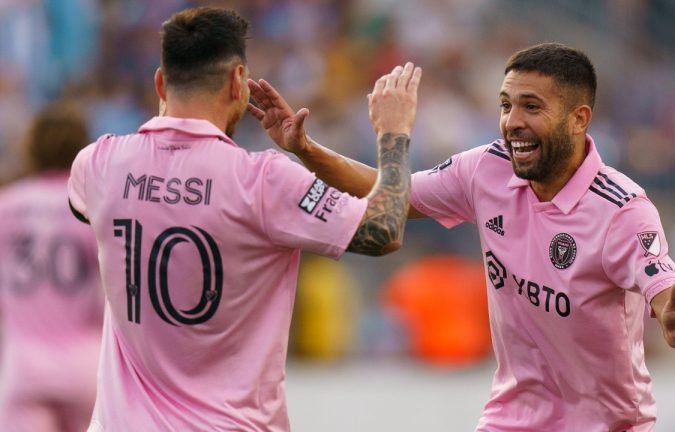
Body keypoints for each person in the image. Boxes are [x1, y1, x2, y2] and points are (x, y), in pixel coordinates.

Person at [248, 42, 675, 431]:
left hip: (604, 425)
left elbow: (663, 295)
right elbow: (393, 195)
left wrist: (673, 319)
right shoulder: (486, 168)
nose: (512, 122)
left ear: (579, 118)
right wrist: (305, 149)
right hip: (511, 419)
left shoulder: (623, 210)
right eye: (506, 105)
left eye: (531, 106)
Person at [67, 7, 421, 431]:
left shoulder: (98, 163)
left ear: (160, 81)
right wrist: (393, 135)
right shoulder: (265, 181)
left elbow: (102, 211)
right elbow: (383, 230)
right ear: (238, 82)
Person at [0, 101, 103, 432]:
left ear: (31, 147)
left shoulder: (6, 205)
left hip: (24, 368)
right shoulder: (92, 209)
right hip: (85, 367)